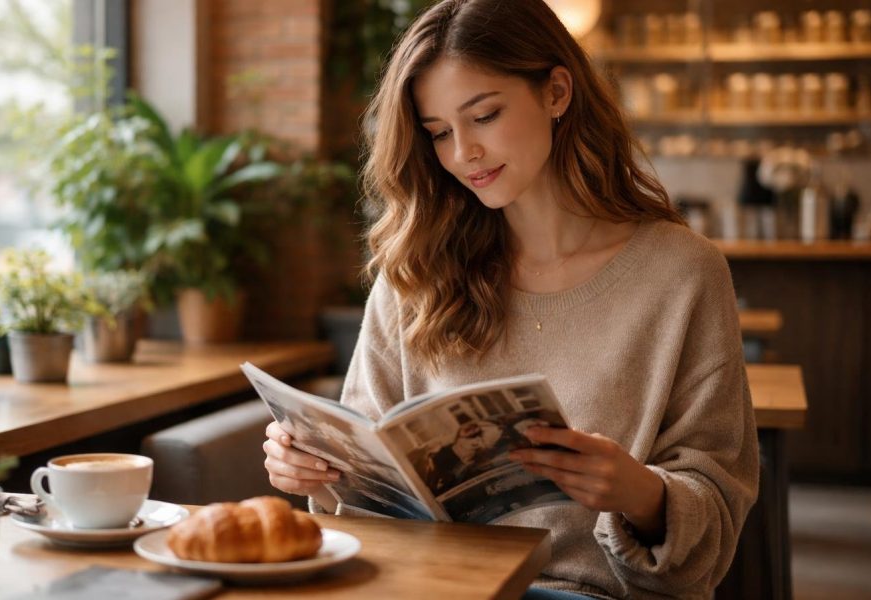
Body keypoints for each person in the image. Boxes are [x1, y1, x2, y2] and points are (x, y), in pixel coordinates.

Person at [262, 1, 758, 598]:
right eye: (439, 133)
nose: (463, 153)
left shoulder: (683, 273)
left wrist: (638, 493)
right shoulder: (416, 270)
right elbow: (368, 494)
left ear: (556, 91)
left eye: (485, 115)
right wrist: (318, 471)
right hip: (427, 587)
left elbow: (717, 516)